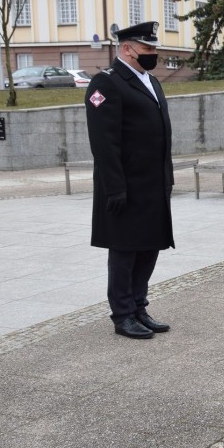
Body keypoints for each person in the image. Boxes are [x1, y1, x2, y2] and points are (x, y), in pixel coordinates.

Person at [84, 21, 174, 339]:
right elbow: (104, 143)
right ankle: (122, 314)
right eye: (147, 49)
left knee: (149, 247)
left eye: (154, 49)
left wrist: (167, 177)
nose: (153, 54)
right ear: (127, 49)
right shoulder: (105, 83)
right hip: (125, 185)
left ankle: (138, 306)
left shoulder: (150, 81)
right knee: (125, 251)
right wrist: (115, 187)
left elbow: (160, 133)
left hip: (152, 183)